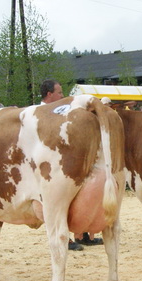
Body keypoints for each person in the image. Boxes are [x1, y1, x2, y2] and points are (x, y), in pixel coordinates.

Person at [39, 79, 103, 250]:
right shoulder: (37, 114)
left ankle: (82, 234)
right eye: (59, 92)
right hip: (50, 168)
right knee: (57, 203)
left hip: (68, 163)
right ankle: (65, 239)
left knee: (74, 200)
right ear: (49, 94)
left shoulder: (62, 111)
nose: (62, 95)